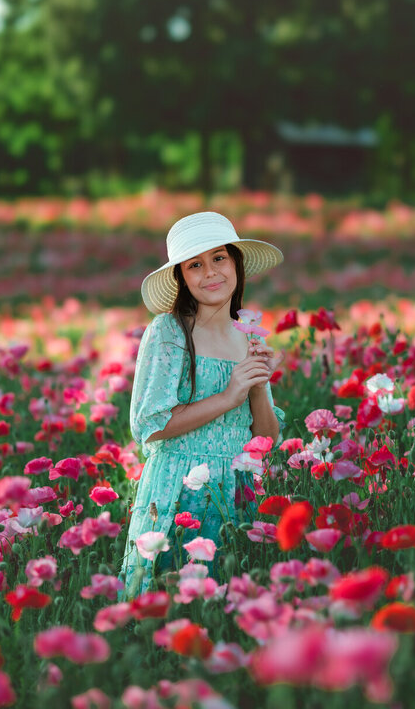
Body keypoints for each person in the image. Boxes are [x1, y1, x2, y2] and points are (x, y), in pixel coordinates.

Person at [117, 211, 286, 599]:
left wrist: (257, 385)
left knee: (226, 603)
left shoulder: (247, 334)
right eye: (195, 265)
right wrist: (228, 396)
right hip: (179, 485)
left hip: (235, 489)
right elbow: (153, 424)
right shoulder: (170, 331)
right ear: (182, 277)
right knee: (169, 599)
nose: (210, 272)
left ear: (236, 264)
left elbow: (266, 438)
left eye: (219, 258)